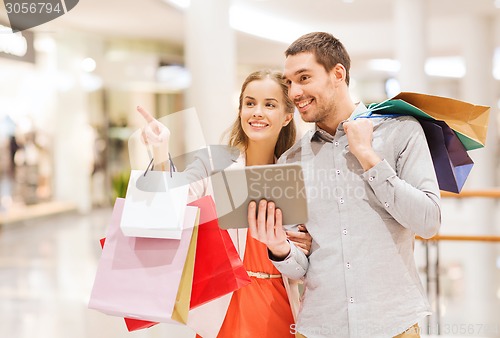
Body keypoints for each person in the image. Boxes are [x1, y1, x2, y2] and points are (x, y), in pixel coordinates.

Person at [247, 32, 441, 338]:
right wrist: (278, 247)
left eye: (304, 78)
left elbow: (428, 222)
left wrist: (369, 157)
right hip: (318, 328)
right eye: (289, 82)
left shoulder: (401, 132)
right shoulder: (291, 161)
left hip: (393, 326)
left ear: (338, 74)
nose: (294, 92)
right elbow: (301, 268)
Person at [138, 69, 312, 338]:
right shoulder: (214, 160)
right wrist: (161, 151)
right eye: (250, 103)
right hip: (223, 307)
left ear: (288, 115)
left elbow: (311, 250)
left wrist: (309, 242)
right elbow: (172, 202)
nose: (257, 112)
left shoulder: (299, 171)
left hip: (278, 306)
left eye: (270, 105)